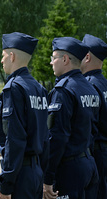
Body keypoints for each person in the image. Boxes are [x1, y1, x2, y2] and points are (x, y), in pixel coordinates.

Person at [43, 37, 100, 199]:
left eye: (53, 58)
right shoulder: (90, 88)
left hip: (69, 169)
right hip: (89, 163)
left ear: (65, 59)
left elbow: (57, 138)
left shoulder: (64, 91)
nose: (51, 63)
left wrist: (48, 177)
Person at [0, 32, 49, 199]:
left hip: (20, 174)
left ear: (11, 56)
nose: (1, 60)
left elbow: (14, 139)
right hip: (36, 171)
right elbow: (46, 137)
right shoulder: (38, 89)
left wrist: (6, 183)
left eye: (3, 55)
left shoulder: (14, 88)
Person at [81, 34, 107, 199]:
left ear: (87, 57)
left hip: (94, 154)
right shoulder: (103, 82)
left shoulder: (88, 85)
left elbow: (88, 126)